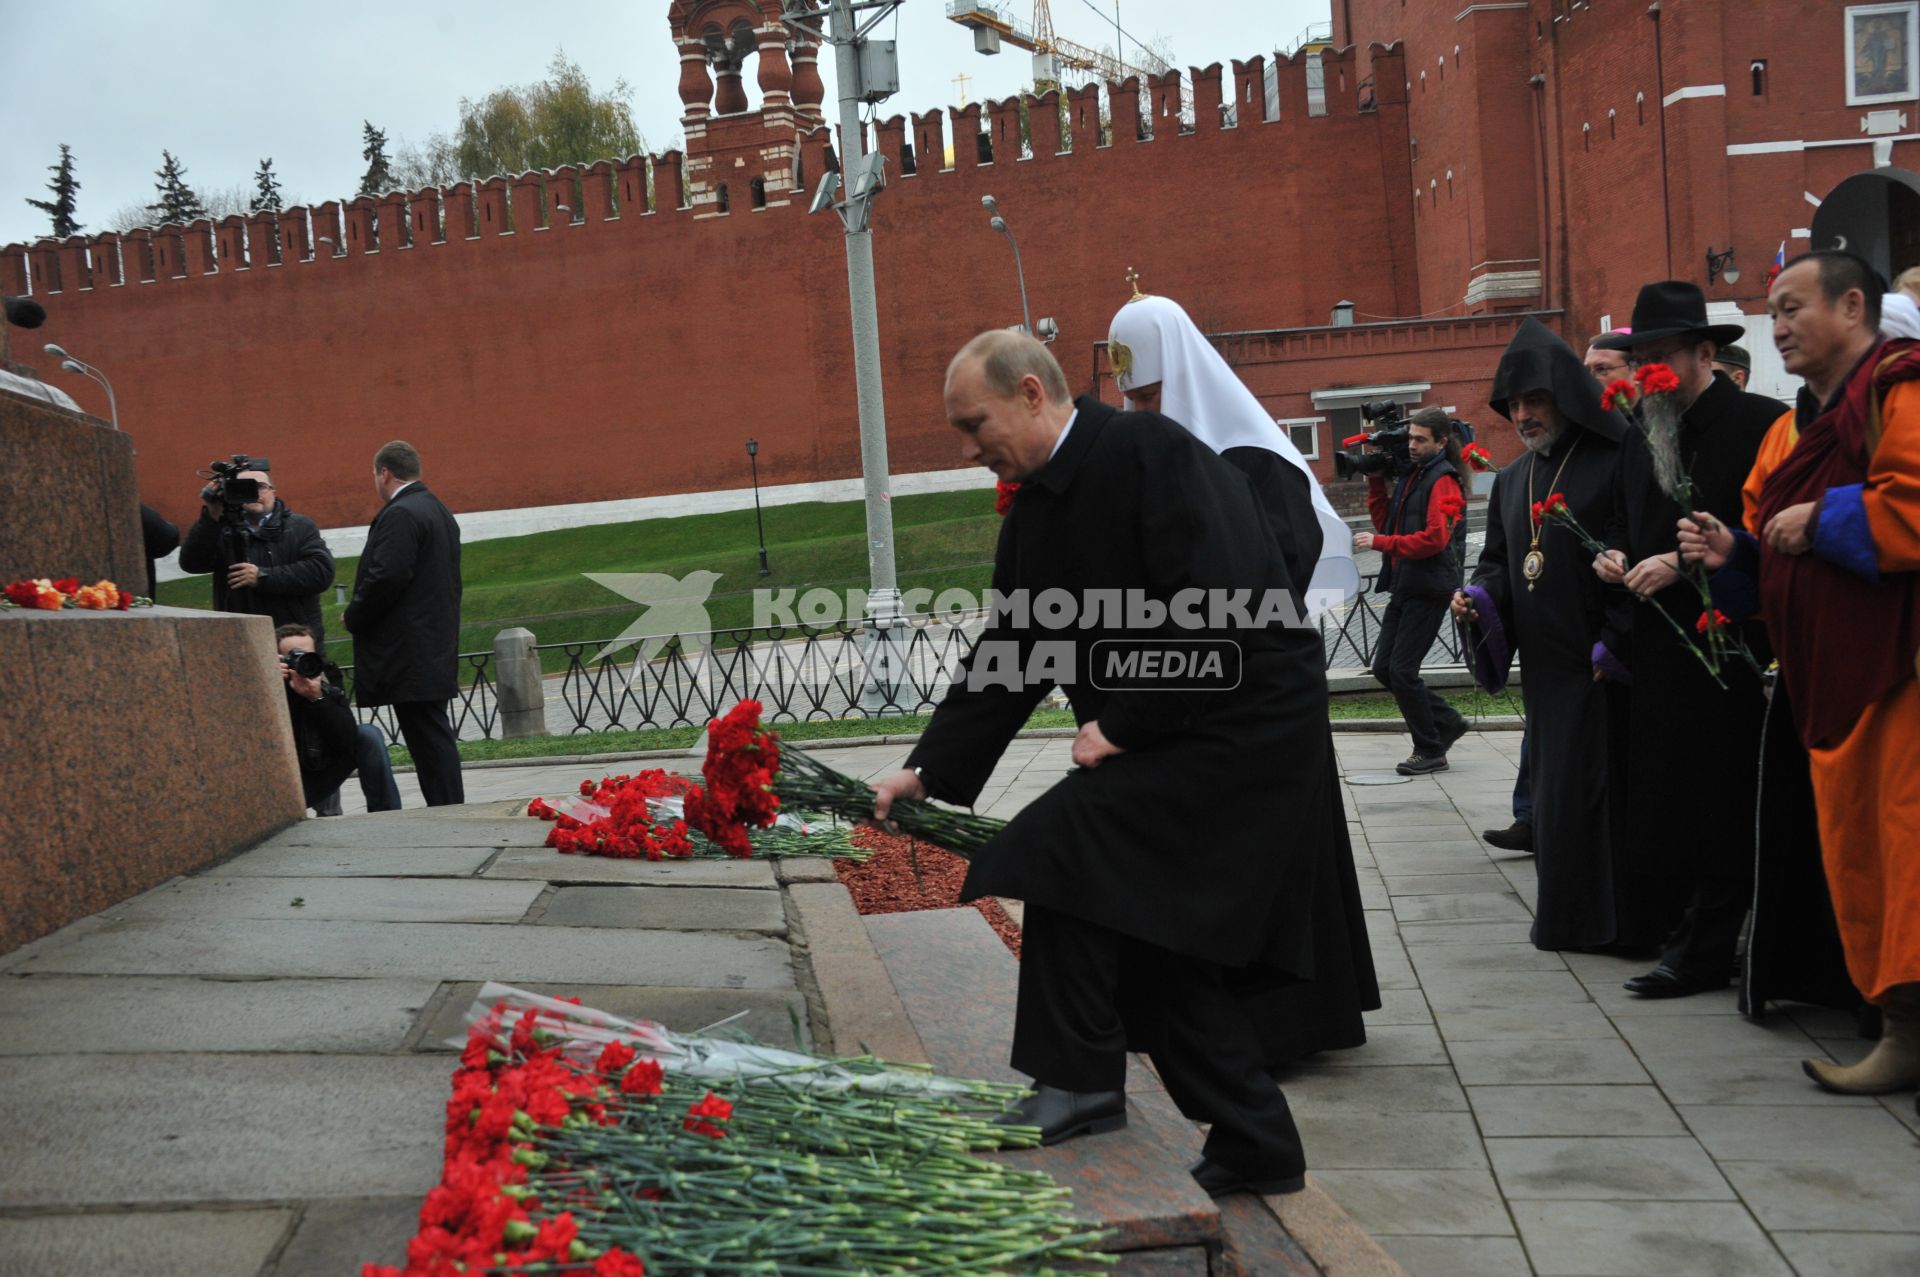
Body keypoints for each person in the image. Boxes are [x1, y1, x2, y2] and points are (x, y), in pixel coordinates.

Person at [871, 329, 1329, 1197]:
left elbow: (1223, 599)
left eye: (976, 425)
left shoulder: (1149, 450)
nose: (970, 450)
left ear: (1034, 394)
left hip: (1242, 725)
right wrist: (924, 770)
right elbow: (1011, 649)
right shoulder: (1038, 504)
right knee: (1151, 933)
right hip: (1168, 728)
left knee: (1064, 852)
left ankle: (1079, 1084)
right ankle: (1255, 1137)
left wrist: (1125, 720)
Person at [1106, 291, 1378, 1068]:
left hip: (1260, 705)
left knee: (1269, 869)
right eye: (1130, 398)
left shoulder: (1256, 463)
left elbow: (1271, 584)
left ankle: (1282, 1027)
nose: (1141, 410)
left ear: (1184, 381)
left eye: (1152, 396)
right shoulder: (1161, 464)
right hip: (1196, 704)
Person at [1677, 251, 1920, 1098]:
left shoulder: (1901, 392)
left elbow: (1913, 507)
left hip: (1900, 666)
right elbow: (1774, 537)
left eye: (1791, 306)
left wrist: (1826, 518)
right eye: (1769, 309)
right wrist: (1735, 551)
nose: (1774, 324)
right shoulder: (1805, 421)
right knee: (1865, 853)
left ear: (1854, 306)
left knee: (1906, 844)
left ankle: (1905, 1028)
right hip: (1830, 673)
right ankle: (1897, 1023)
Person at [1590, 281, 1786, 995]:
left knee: (1722, 795)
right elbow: (1619, 519)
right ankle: (1685, 930)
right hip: (1658, 648)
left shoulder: (1765, 423)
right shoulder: (1643, 429)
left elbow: (1776, 533)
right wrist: (1606, 556)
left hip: (1731, 643)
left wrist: (1684, 561)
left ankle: (1710, 944)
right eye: (1639, 358)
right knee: (1671, 795)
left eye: (1662, 355)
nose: (1648, 371)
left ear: (1707, 352)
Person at [1452, 318, 1643, 952]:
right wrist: (1475, 600)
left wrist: (1615, 639)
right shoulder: (1510, 480)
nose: (1526, 415)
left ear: (1565, 395)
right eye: (1516, 405)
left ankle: (1625, 926)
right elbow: (1499, 567)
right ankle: (1568, 921)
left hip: (1603, 667)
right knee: (1559, 804)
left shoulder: (1618, 457)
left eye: (1537, 400)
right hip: (1547, 673)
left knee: (1607, 798)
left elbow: (1634, 549)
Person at [343, 440, 465, 806]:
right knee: (433, 737)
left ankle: (448, 814)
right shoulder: (437, 510)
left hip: (408, 653)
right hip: (431, 646)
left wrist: (354, 615)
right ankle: (449, 809)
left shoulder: (401, 514)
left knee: (429, 741)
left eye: (374, 475)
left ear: (384, 473)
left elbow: (387, 576)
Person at [1353, 407, 1471, 774]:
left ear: (1441, 442)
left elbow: (1436, 539)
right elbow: (1386, 521)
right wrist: (1375, 482)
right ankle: (1448, 721)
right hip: (1408, 583)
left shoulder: (1443, 480)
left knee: (1402, 671)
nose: (1413, 445)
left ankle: (1430, 749)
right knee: (1385, 668)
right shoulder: (1415, 475)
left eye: (1421, 439)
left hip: (1431, 586)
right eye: (1411, 438)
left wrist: (1381, 543)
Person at [177, 465, 335, 647]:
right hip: (239, 638)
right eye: (244, 487)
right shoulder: (220, 529)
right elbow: (192, 564)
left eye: (260, 486)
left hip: (294, 640)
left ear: (273, 492)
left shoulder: (300, 526)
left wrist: (262, 576)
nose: (255, 492)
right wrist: (211, 517)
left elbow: (320, 573)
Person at [275, 623, 402, 815]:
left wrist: (317, 697)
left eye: (307, 654)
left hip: (320, 764)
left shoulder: (326, 676)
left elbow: (346, 736)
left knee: (368, 734)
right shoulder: (267, 682)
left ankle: (387, 814)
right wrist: (271, 682)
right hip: (286, 778)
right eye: (294, 655)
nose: (302, 660)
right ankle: (327, 816)